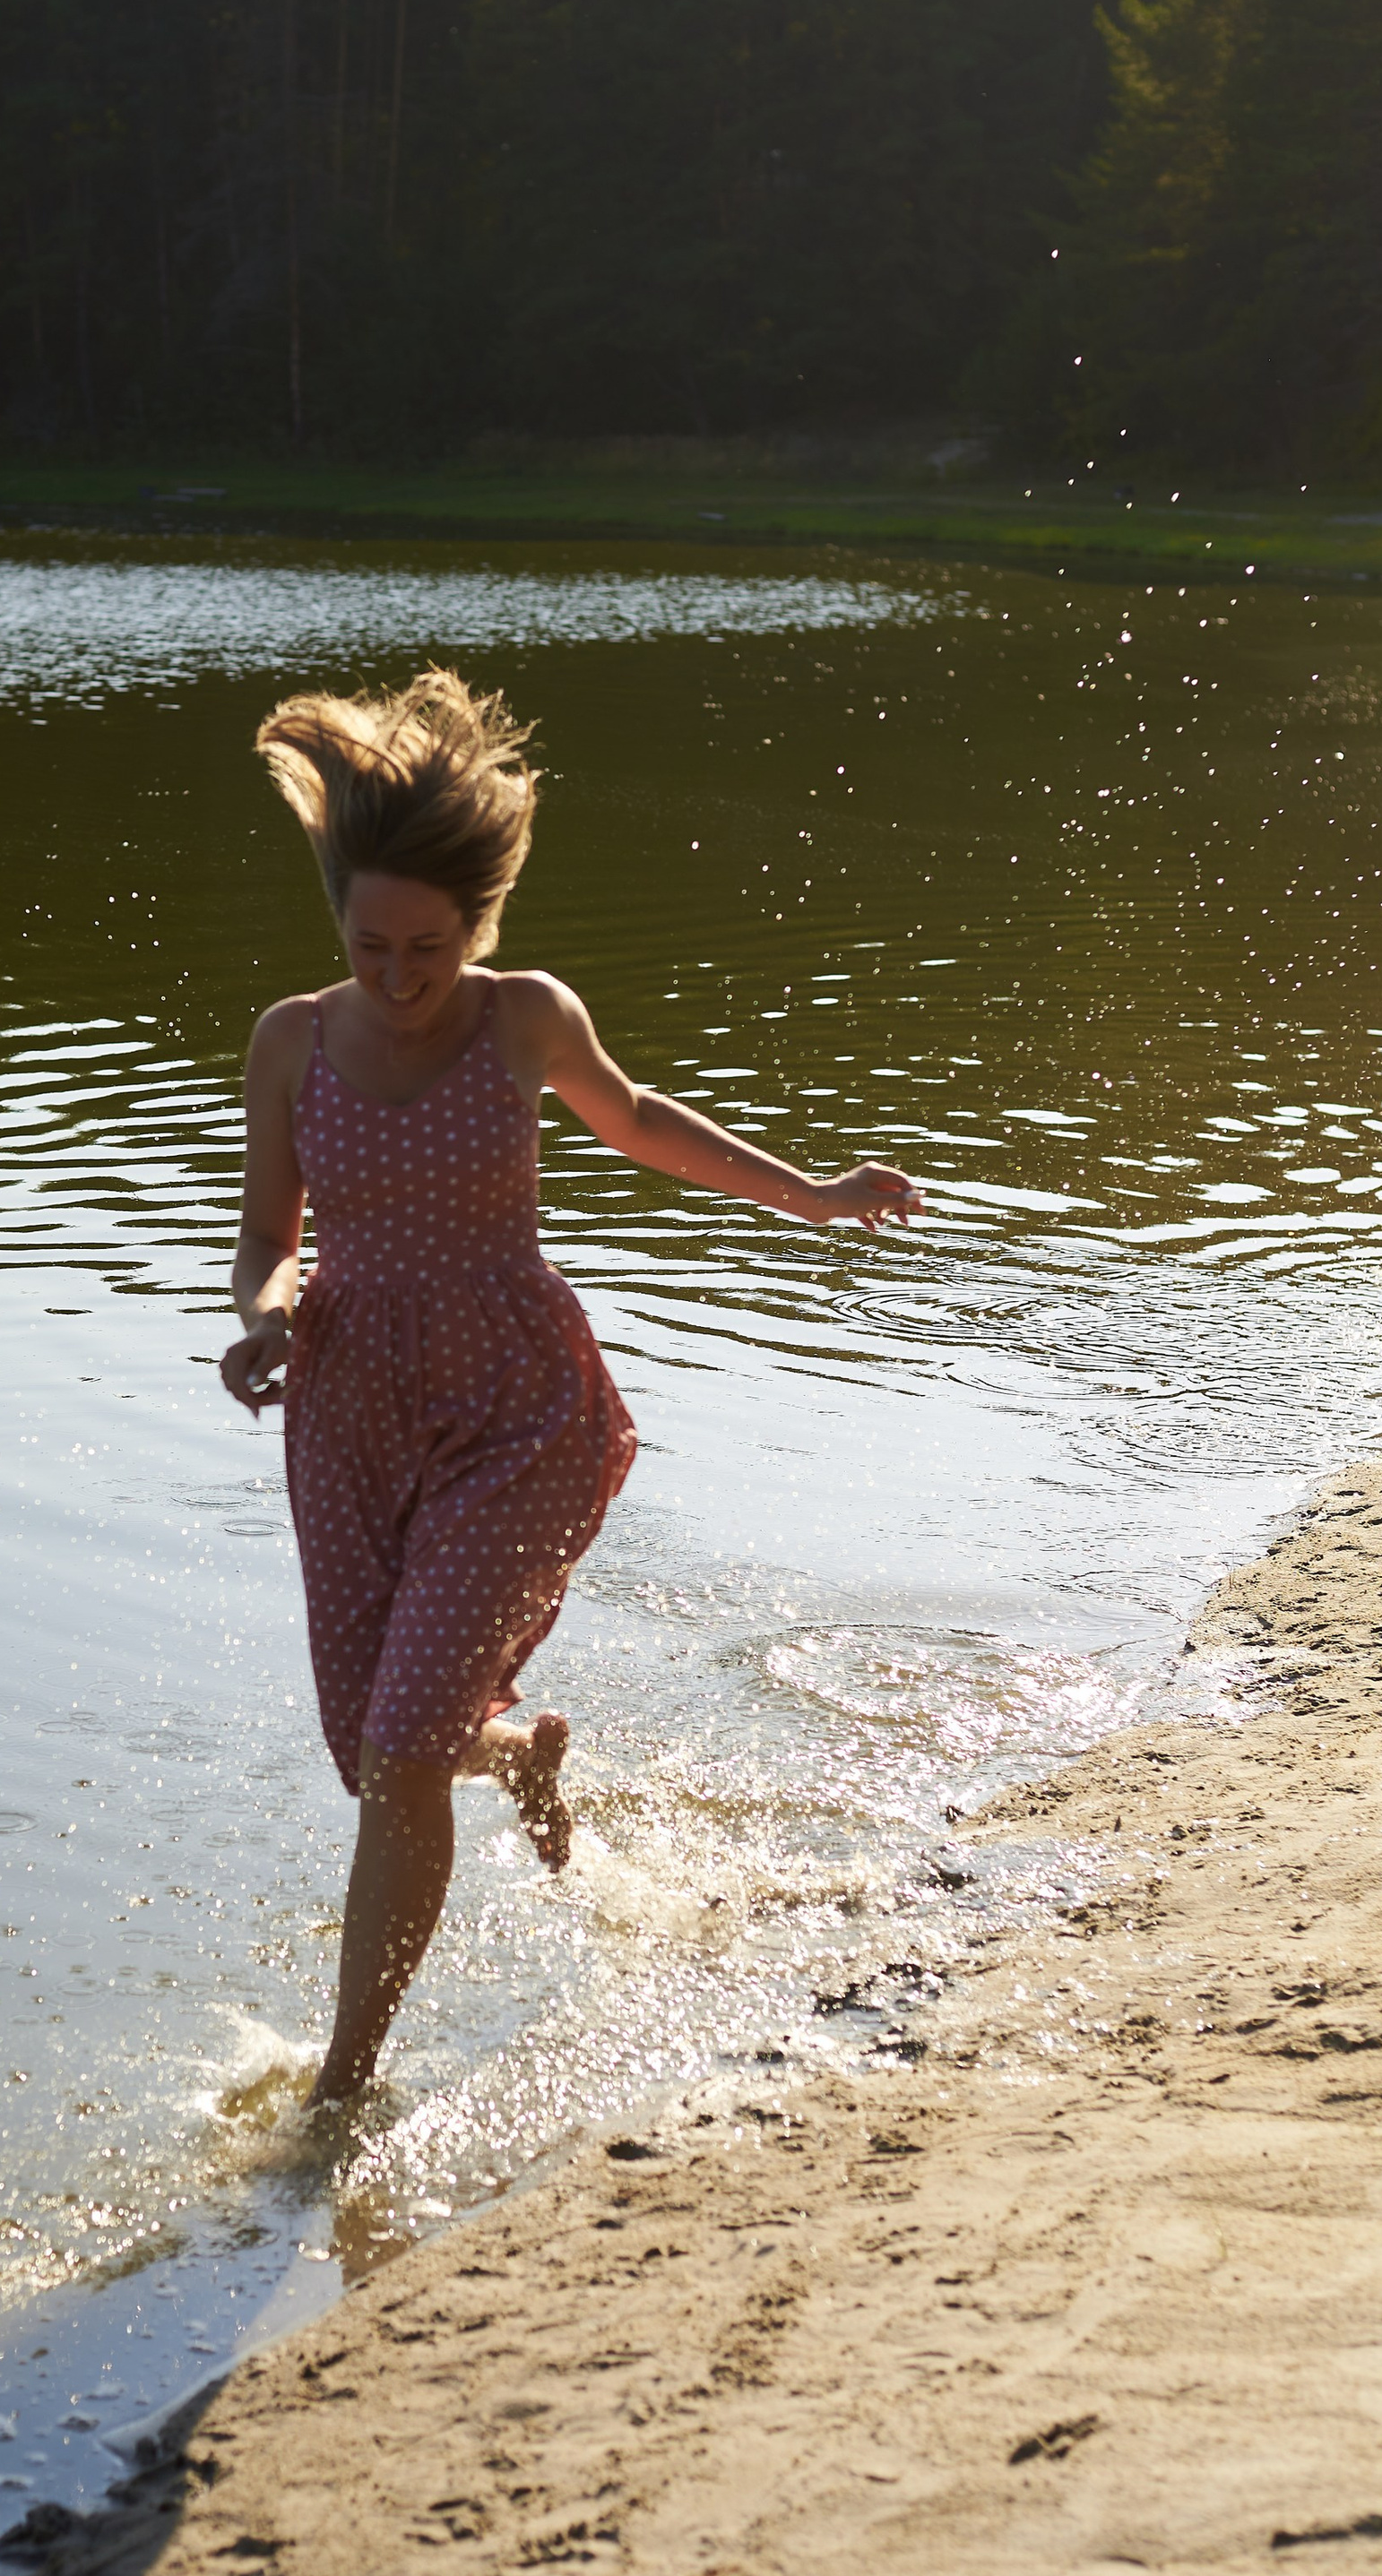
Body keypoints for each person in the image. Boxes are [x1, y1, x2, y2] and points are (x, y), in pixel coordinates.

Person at [220, 668, 920, 2103]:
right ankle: (527, 1747)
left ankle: (342, 2081)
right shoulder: (291, 1042)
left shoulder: (523, 1018)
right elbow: (266, 1244)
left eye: (429, 946)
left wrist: (816, 1197)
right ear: (336, 921)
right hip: (347, 1419)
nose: (401, 976)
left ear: (477, 927)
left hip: (514, 1415)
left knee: (405, 1742)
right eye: (371, 947)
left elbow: (643, 1121)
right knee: (379, 1748)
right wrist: (262, 1320)